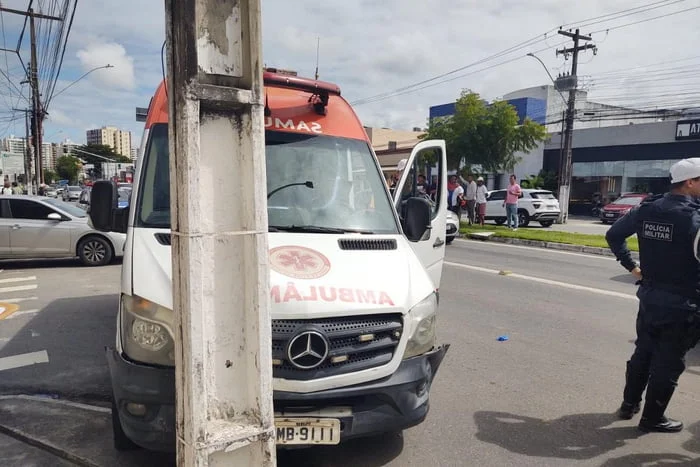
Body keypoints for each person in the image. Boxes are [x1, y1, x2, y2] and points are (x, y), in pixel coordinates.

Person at [606, 157, 700, 433]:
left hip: (650, 298)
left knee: (643, 354)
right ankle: (652, 418)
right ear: (691, 182)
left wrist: (632, 267)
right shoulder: (694, 218)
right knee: (668, 364)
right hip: (683, 305)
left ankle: (628, 405)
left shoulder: (647, 209)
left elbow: (614, 235)